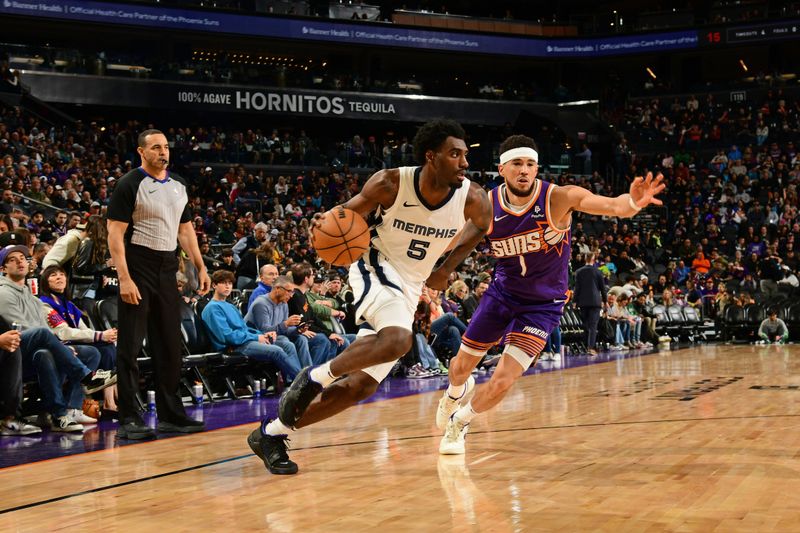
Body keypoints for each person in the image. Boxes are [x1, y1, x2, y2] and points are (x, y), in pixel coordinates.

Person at [248, 119, 492, 475]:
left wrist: (448, 266)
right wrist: (325, 220)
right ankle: (315, 377)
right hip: (375, 264)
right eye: (455, 154)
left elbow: (481, 227)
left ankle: (270, 433)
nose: (464, 162)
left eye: (465, 155)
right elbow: (343, 215)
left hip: (412, 282)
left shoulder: (473, 197)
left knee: (359, 386)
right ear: (431, 156)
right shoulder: (391, 183)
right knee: (398, 339)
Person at [435, 134, 664, 455]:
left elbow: (612, 206)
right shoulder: (486, 206)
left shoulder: (558, 198)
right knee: (459, 367)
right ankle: (453, 394)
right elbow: (448, 242)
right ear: (502, 169)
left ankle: (461, 422)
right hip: (501, 296)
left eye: (530, 164)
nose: (525, 170)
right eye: (517, 163)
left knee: (502, 380)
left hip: (542, 306)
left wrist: (633, 202)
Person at [107, 128, 211, 440]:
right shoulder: (129, 184)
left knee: (169, 344)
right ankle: (128, 418)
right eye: (155, 147)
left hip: (167, 266)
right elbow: (115, 233)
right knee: (130, 344)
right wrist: (124, 277)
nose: (162, 152)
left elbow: (186, 230)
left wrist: (200, 266)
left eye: (165, 147)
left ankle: (171, 415)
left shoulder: (179, 185)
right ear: (141, 152)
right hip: (137, 264)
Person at [202, 270, 301, 383]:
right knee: (277, 350)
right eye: (223, 283)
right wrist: (257, 338)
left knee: (287, 346)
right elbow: (227, 336)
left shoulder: (230, 306)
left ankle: (291, 382)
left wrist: (262, 335)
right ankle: (301, 382)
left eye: (230, 283)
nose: (227, 286)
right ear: (214, 285)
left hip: (245, 342)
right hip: (233, 346)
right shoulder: (213, 308)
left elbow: (244, 328)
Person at [573, 252, 606, 356]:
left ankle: (587, 346)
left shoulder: (578, 271)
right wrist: (605, 301)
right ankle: (590, 348)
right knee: (593, 326)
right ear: (593, 259)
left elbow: (577, 288)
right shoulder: (598, 272)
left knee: (586, 325)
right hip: (595, 302)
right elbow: (603, 289)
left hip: (582, 303)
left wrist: (574, 301)